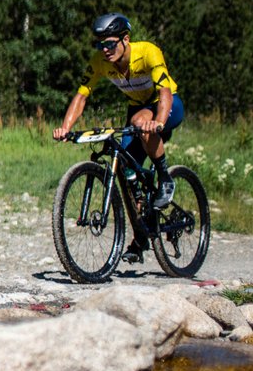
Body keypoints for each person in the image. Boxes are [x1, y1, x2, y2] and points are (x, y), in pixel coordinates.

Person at [52, 13, 185, 261]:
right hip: (137, 107)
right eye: (100, 44)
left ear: (125, 39)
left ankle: (166, 177)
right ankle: (141, 238)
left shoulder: (147, 52)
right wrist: (65, 127)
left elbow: (165, 91)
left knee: (140, 123)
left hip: (168, 105)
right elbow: (82, 96)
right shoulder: (100, 62)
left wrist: (158, 122)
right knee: (124, 171)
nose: (105, 50)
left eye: (110, 44)